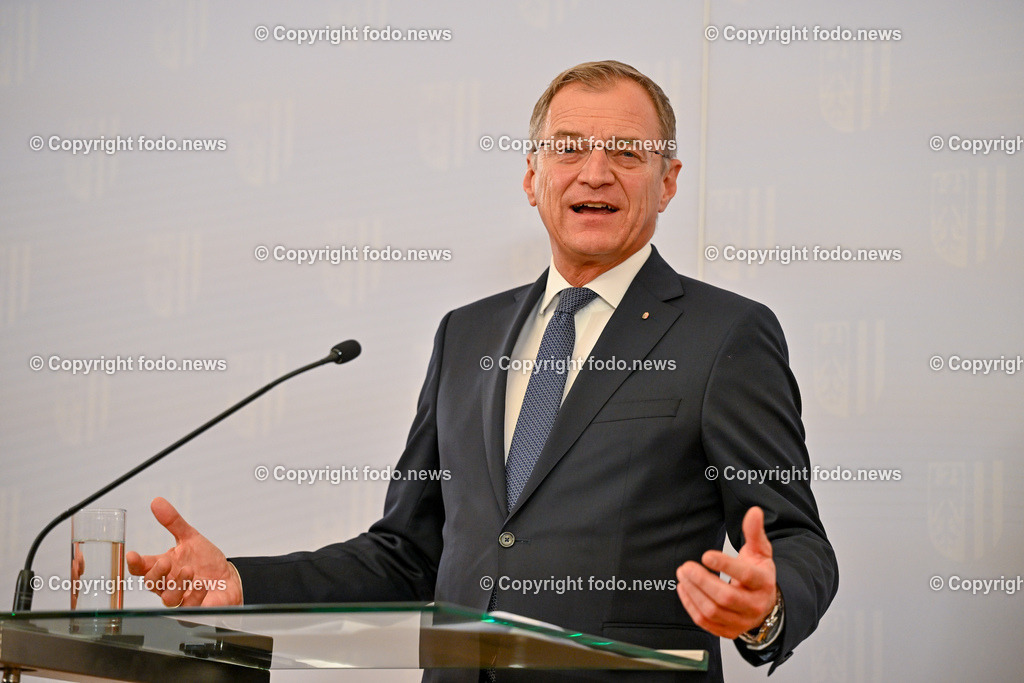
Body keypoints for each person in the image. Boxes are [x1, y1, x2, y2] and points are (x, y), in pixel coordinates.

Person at [127, 61, 838, 682]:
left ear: (668, 180)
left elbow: (797, 538)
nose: (595, 171)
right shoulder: (465, 335)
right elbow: (408, 553)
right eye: (568, 150)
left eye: (627, 150)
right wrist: (242, 578)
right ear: (533, 177)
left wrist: (766, 608)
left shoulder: (725, 334)